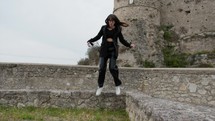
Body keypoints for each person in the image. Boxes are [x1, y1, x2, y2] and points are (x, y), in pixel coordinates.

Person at [87, 14, 135, 96]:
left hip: (113, 50)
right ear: (107, 21)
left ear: (115, 21)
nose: (111, 23)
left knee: (112, 68)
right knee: (101, 68)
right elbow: (98, 36)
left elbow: (122, 40)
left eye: (112, 21)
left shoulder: (118, 29)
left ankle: (117, 85)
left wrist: (129, 45)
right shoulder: (103, 28)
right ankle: (100, 86)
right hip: (104, 50)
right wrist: (90, 40)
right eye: (109, 21)